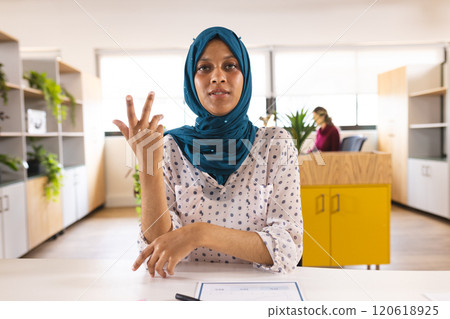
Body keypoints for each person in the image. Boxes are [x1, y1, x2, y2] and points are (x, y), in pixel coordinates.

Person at [113, 27, 302, 278]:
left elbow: (288, 248)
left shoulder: (275, 144)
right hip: (185, 289)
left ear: (245, 77)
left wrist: (200, 233)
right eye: (204, 68)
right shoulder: (170, 146)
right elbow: (157, 247)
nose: (217, 77)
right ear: (191, 81)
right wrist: (148, 166)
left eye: (230, 66)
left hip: (260, 292)